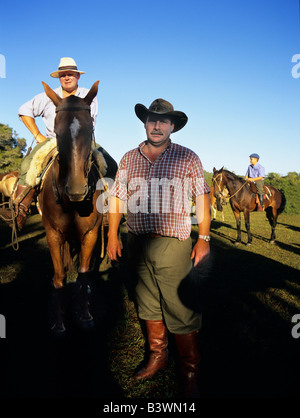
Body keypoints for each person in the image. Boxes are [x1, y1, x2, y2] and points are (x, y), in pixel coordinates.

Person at [106, 98, 211, 397]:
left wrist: (203, 238)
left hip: (173, 242)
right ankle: (158, 357)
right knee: (148, 303)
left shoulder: (188, 157)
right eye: (152, 120)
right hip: (137, 242)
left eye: (163, 121)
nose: (157, 125)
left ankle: (190, 369)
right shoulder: (129, 158)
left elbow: (202, 197)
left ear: (172, 126)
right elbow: (117, 197)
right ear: (144, 123)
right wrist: (113, 235)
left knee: (179, 306)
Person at [0, 57, 117, 230]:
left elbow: (89, 123)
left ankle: (108, 209)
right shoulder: (46, 97)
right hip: (53, 141)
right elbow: (24, 110)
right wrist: (37, 134)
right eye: (63, 75)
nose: (67, 77)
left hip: (81, 140)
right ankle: (21, 209)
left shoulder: (86, 94)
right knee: (28, 164)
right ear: (59, 78)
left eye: (71, 74)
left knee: (111, 164)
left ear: (77, 76)